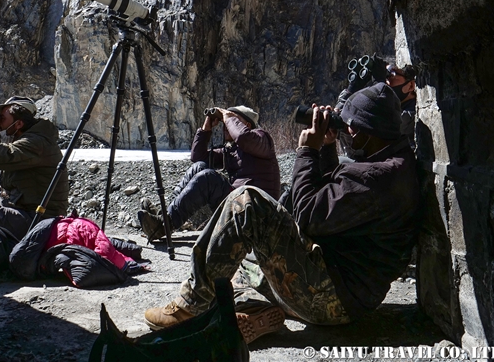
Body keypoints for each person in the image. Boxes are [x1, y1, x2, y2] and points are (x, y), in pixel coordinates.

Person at [143, 83, 421, 345]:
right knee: (236, 261)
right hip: (347, 293)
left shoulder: (376, 175)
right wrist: (326, 147)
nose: (347, 133)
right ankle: (256, 312)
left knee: (245, 201)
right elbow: (334, 201)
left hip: (330, 299)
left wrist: (306, 151)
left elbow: (308, 216)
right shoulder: (391, 162)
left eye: (349, 127)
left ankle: (191, 307)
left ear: (363, 132)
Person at [137, 105, 281, 242]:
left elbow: (243, 138)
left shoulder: (262, 138)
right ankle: (164, 219)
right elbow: (197, 157)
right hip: (240, 204)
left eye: (233, 120)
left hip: (258, 211)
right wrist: (206, 129)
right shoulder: (232, 150)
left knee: (208, 178)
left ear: (247, 125)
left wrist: (227, 116)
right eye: (226, 121)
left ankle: (163, 226)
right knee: (199, 167)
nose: (226, 124)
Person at [0, 96, 69, 240]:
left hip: (40, 219)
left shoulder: (36, 143)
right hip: (24, 210)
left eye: (2, 119)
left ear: (18, 123)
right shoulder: (30, 139)